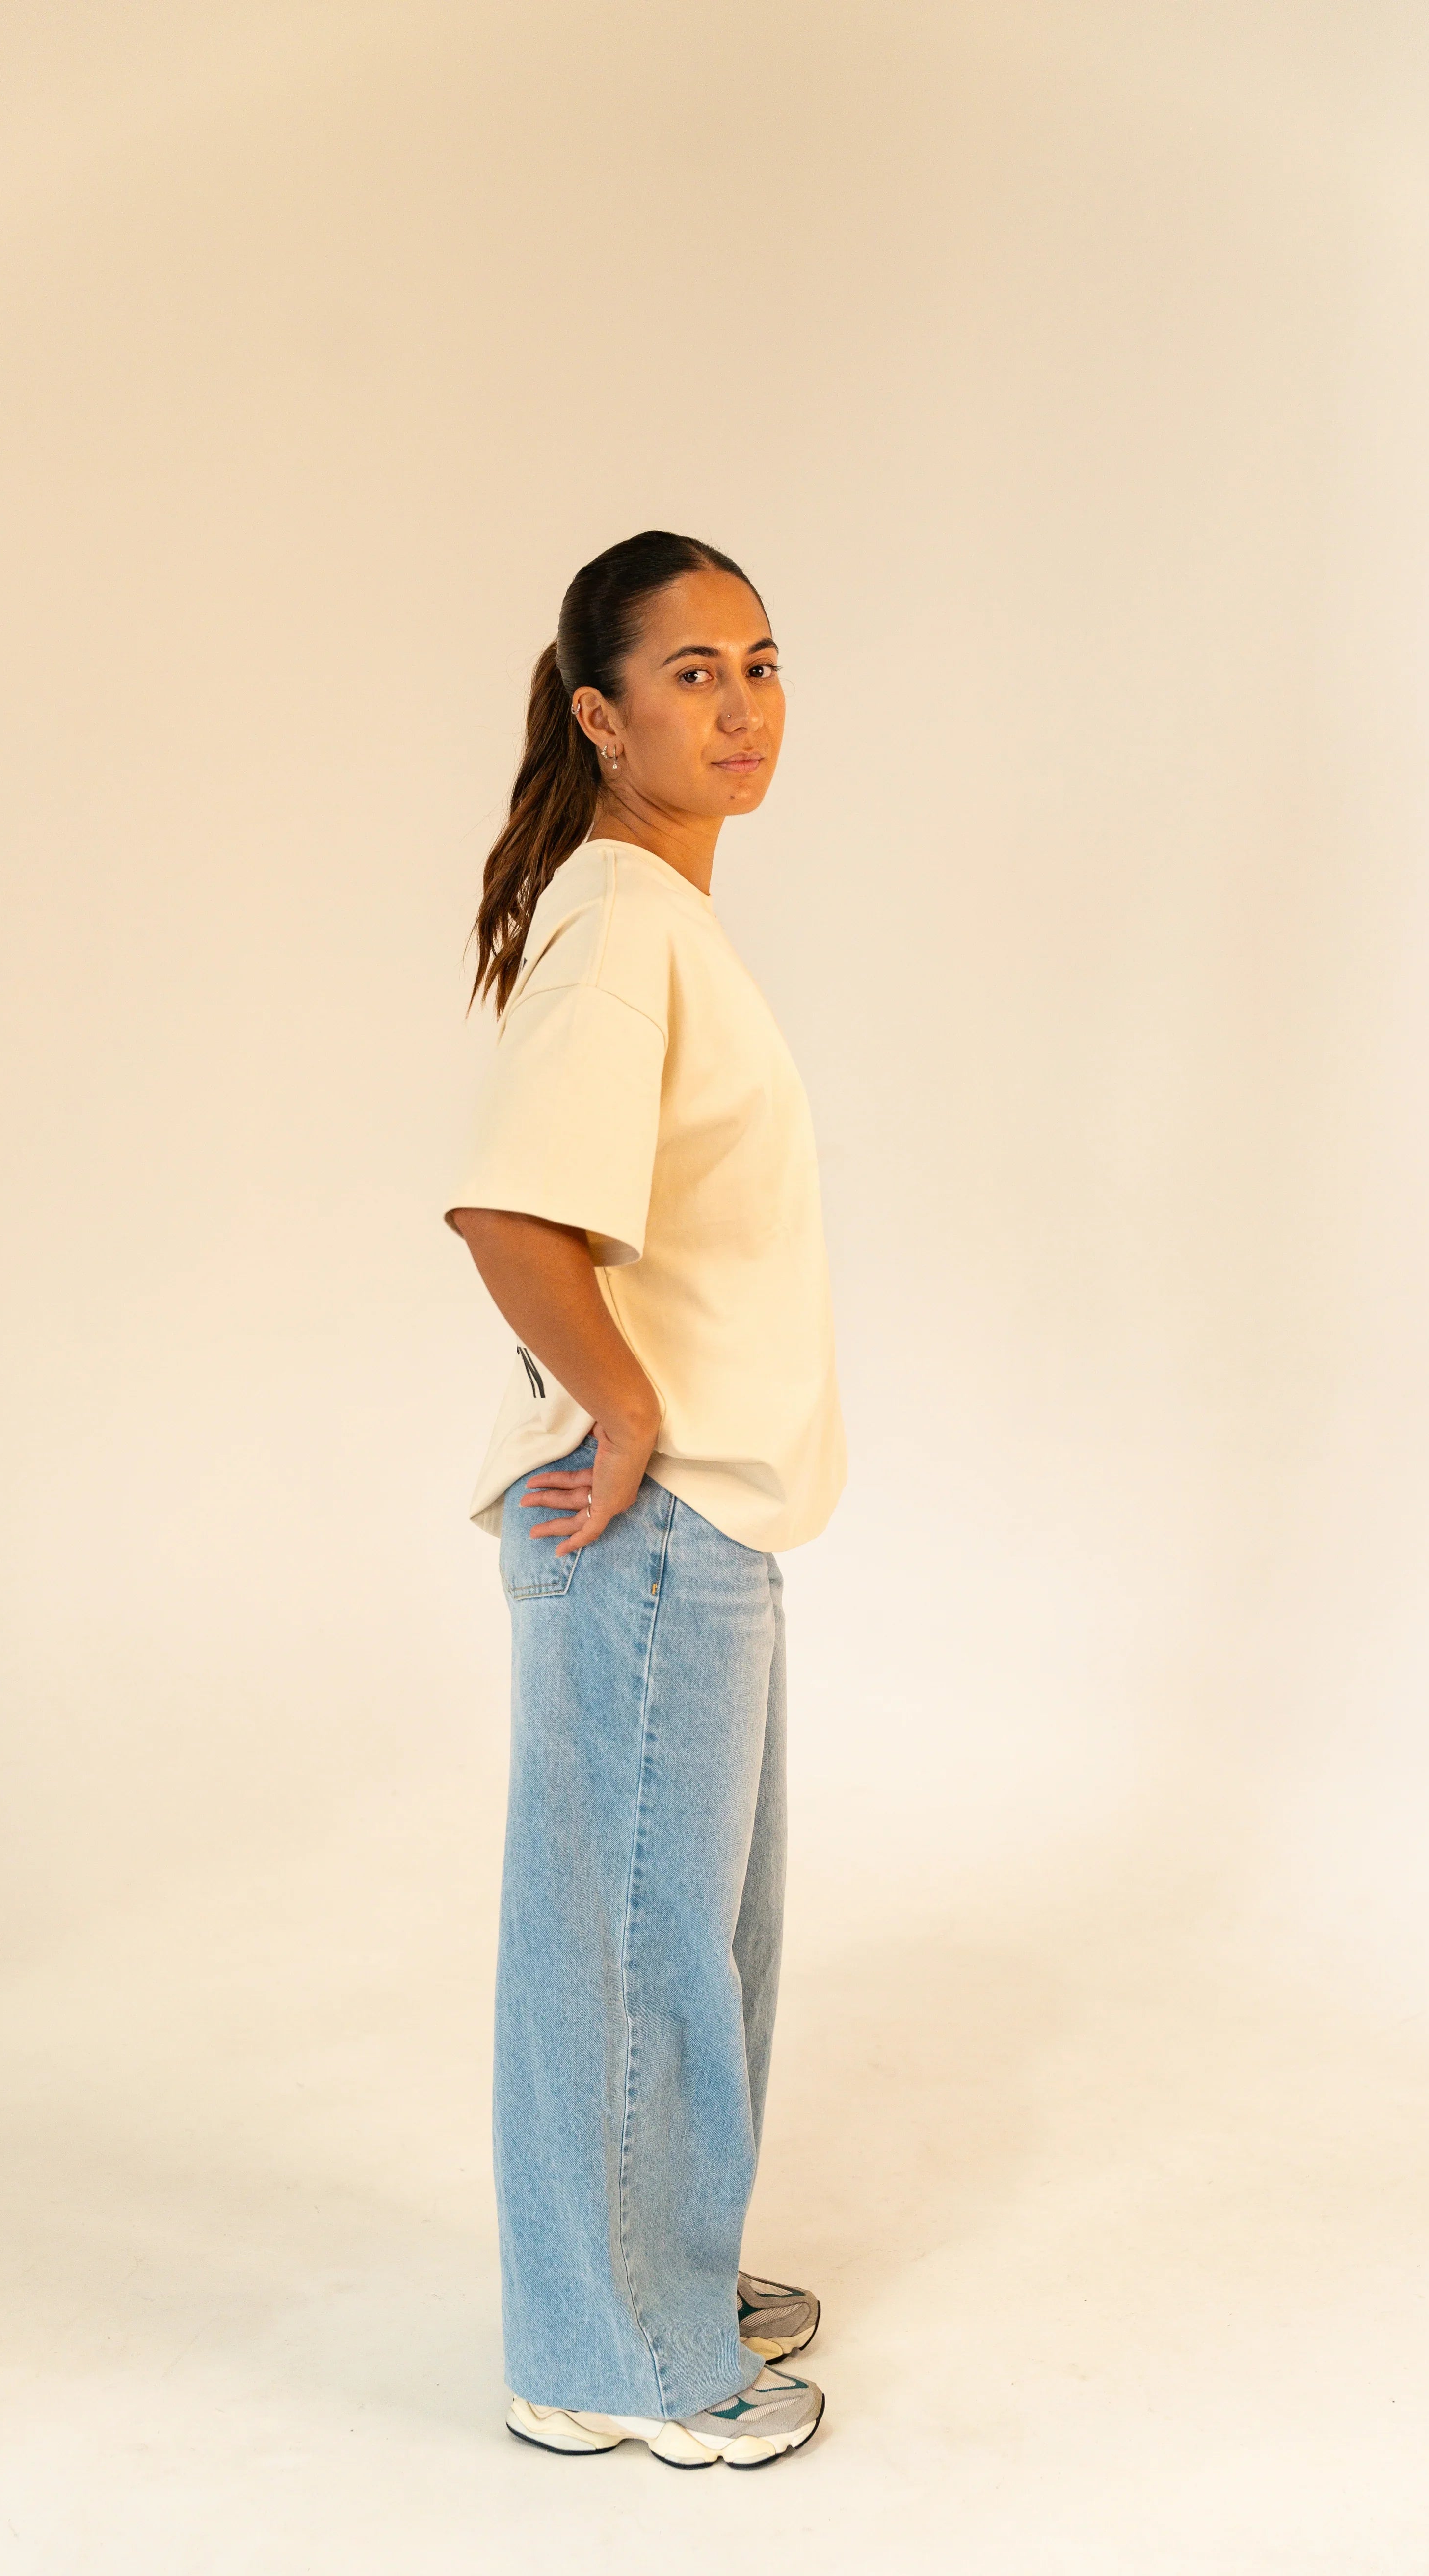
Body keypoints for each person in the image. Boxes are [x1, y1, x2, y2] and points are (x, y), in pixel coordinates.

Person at [444, 529, 847, 2470]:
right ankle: (609, 2354)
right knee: (633, 1938)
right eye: (693, 674)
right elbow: (512, 1208)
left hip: (706, 1527)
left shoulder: (663, 921)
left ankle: (660, 2269)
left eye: (761, 664)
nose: (742, 705)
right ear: (600, 718)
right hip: (648, 1524)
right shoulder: (620, 914)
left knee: (697, 1938)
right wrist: (614, 1408)